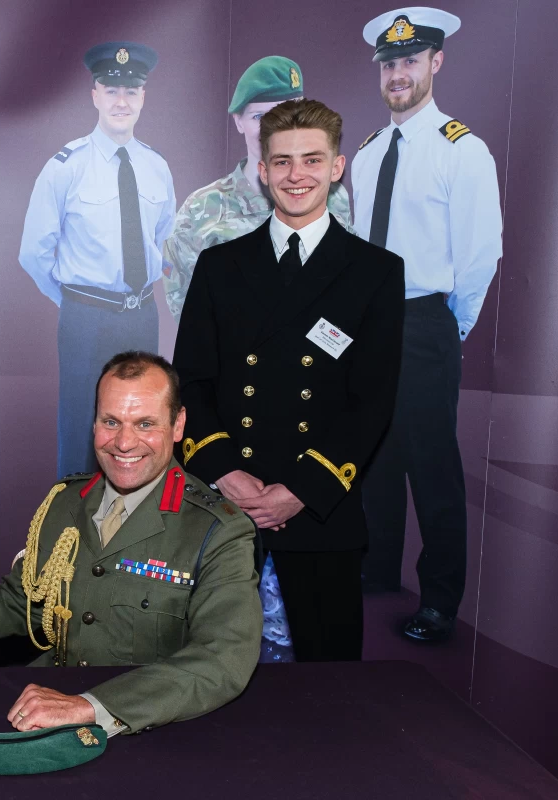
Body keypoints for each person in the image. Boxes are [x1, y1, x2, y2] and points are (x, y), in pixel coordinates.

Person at [0, 352, 261, 735]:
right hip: (46, 708)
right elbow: (20, 603)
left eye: (145, 424)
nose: (124, 443)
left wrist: (90, 707)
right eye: (111, 422)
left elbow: (222, 660)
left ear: (178, 425)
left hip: (154, 725)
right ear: (94, 421)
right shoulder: (64, 502)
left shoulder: (218, 530)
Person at [172, 100, 404, 662]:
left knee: (329, 695)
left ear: (337, 166)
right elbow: (191, 384)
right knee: (208, 679)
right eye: (282, 162)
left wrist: (300, 491)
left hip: (321, 507)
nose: (296, 175)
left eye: (311, 160)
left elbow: (371, 402)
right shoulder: (219, 266)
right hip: (225, 507)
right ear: (263, 170)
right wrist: (228, 475)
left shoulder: (375, 271)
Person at [351, 8, 502, 643]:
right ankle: (376, 571)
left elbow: (478, 257)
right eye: (389, 63)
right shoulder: (366, 152)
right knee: (374, 457)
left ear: (435, 63)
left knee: (433, 464)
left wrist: (447, 329)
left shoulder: (462, 151)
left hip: (424, 321)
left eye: (410, 61)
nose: (398, 74)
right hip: (369, 323)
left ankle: (439, 600)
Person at [19, 41, 177, 479]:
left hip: (142, 316)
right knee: (82, 429)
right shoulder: (65, 166)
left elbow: (163, 243)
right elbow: (33, 252)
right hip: (85, 318)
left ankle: (136, 534)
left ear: (143, 97)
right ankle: (74, 534)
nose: (121, 101)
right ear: (95, 95)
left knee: (143, 425)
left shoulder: (156, 166)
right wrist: (75, 300)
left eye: (131, 91)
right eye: (111, 90)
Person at [162, 55, 352, 321]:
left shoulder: (333, 197)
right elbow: (185, 305)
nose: (272, 129)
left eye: (284, 112)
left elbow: (346, 289)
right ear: (239, 122)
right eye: (259, 116)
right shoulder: (200, 209)